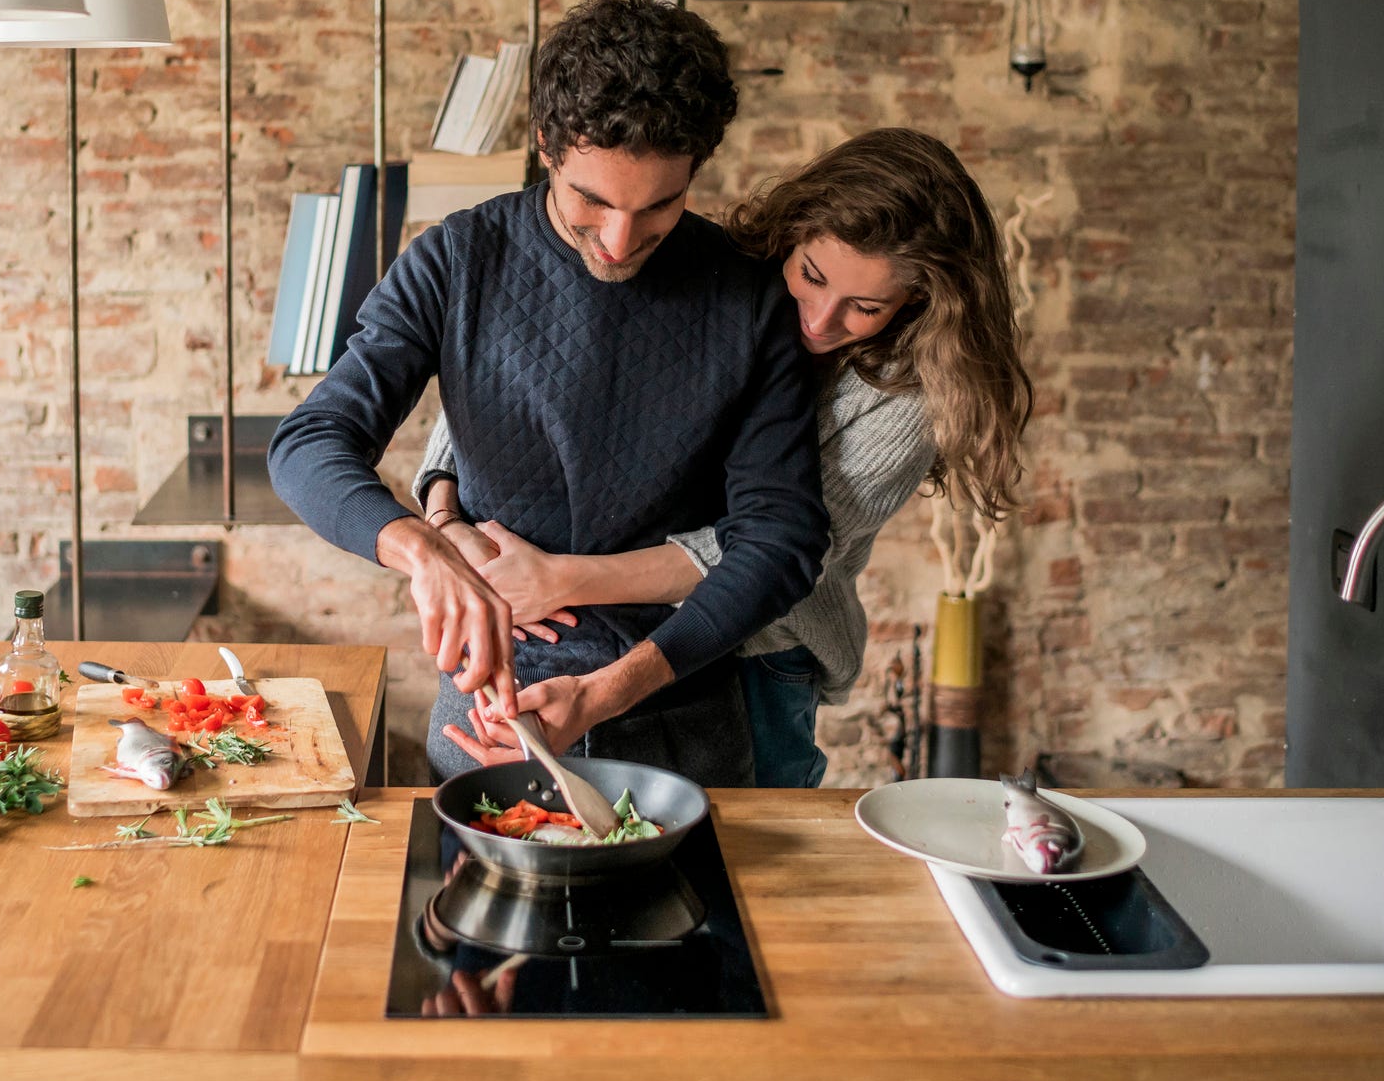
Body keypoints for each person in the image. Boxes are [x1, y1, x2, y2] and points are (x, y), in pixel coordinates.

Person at [267, 0, 829, 786]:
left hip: (682, 705)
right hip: (493, 708)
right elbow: (308, 443)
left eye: (659, 206)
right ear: (545, 145)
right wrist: (422, 548)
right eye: (589, 202)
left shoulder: (746, 296)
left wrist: (606, 693)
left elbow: (780, 540)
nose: (619, 240)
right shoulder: (456, 261)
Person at [417, 127, 1032, 786]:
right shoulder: (714, 282)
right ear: (792, 234)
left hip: (759, 655)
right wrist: (444, 518)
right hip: (584, 619)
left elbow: (770, 552)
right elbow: (513, 384)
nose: (820, 319)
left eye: (865, 306)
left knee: (742, 861)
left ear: (916, 300)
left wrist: (561, 579)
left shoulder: (907, 404)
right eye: (811, 276)